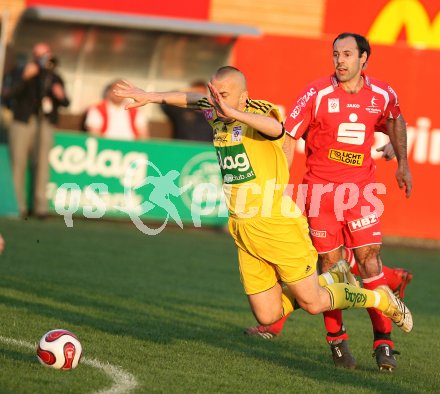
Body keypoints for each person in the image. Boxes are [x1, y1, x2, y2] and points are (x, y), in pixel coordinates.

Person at [113, 66, 412, 365]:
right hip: (242, 227)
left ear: (244, 97)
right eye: (213, 94)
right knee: (267, 313)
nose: (216, 100)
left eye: (224, 95)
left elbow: (277, 130)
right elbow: (192, 99)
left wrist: (234, 112)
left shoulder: (258, 112)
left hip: (274, 221)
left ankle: (381, 299)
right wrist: (150, 96)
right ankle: (331, 275)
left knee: (313, 303)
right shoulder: (215, 110)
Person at [281, 32, 412, 371]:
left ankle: (384, 343)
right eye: (336, 54)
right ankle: (338, 343)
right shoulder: (316, 93)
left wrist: (403, 164)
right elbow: (288, 134)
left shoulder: (382, 94)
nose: (340, 60)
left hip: (361, 192)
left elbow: (396, 121)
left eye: (348, 54)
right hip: (321, 195)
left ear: (364, 59)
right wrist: (281, 185)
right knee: (332, 269)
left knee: (370, 262)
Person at [2, 42, 69, 218]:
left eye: (46, 54)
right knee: (18, 163)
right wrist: (24, 77)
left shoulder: (54, 76)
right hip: (23, 121)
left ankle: (40, 207)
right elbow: (7, 95)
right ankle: (18, 206)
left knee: (42, 164)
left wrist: (60, 96)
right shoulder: (21, 72)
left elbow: (65, 101)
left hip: (44, 122)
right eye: (39, 54)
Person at [84, 79, 149, 141]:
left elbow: (143, 135)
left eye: (123, 91)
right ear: (109, 92)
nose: (119, 94)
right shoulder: (97, 109)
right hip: (106, 147)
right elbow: (94, 134)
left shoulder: (134, 111)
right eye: (116, 90)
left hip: (131, 148)